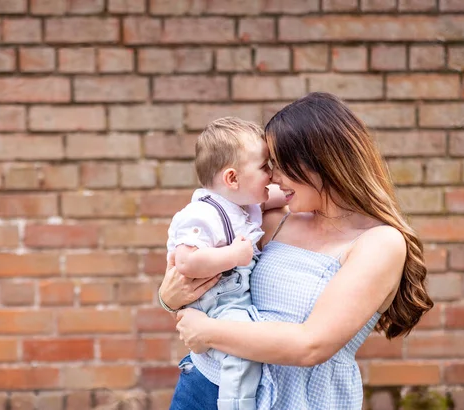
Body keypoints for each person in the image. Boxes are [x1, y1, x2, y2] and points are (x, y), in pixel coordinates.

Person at [158, 92, 434, 410]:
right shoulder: (276, 219)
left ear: (320, 163)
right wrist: (168, 298)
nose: (273, 177)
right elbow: (212, 289)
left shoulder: (379, 242)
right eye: (268, 166)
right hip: (208, 388)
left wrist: (209, 332)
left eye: (279, 165)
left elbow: (310, 345)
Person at [165, 117, 276, 410]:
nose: (273, 174)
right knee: (242, 354)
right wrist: (233, 257)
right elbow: (186, 261)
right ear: (232, 179)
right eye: (265, 167)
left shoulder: (245, 203)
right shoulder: (204, 214)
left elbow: (282, 195)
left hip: (232, 302)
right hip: (215, 304)